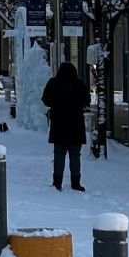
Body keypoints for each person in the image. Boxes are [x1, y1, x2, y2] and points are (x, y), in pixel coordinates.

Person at [41, 61, 91, 192]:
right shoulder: (79, 84)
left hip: (59, 125)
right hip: (76, 126)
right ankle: (76, 183)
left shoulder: (53, 83)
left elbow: (45, 99)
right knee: (75, 156)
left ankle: (57, 182)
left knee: (59, 155)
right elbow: (87, 101)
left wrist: (56, 104)